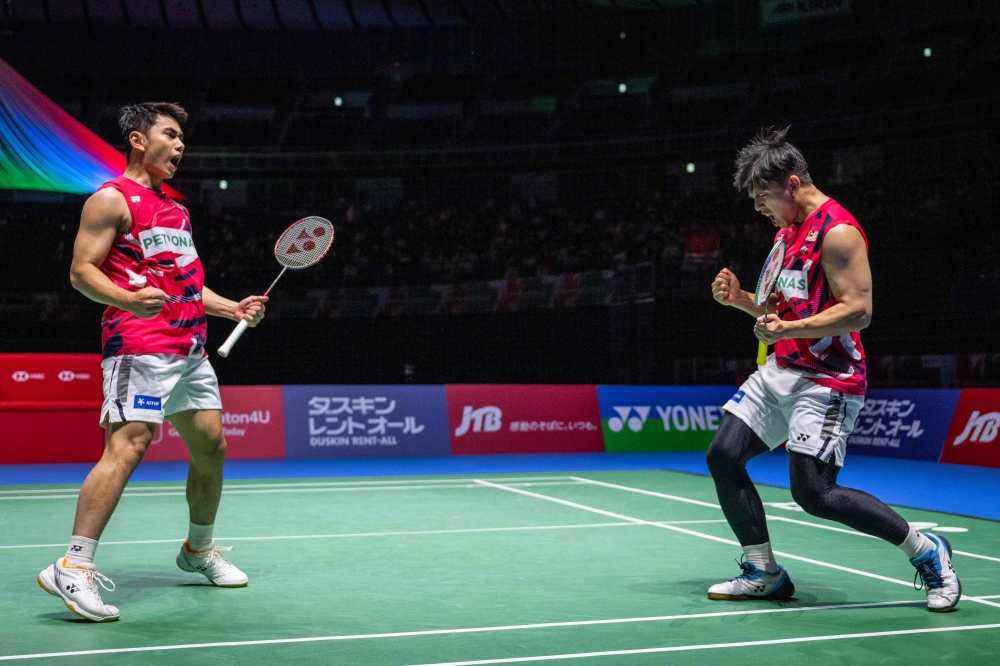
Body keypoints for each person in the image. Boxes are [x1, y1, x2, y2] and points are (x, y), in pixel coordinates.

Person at [707, 127, 960, 612]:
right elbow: (780, 310)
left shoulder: (838, 232)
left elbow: (859, 311)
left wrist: (786, 328)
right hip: (782, 368)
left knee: (815, 493)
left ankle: (927, 550)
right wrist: (741, 300)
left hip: (828, 379)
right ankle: (763, 572)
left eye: (763, 197)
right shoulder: (786, 234)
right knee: (723, 455)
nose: (758, 208)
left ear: (792, 183)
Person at [37, 103, 268, 622]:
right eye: (170, 133)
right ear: (138, 140)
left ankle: (197, 550)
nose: (180, 144)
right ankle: (73, 565)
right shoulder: (111, 199)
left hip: (189, 348)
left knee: (212, 447)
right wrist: (126, 299)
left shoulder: (176, 210)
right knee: (129, 445)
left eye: (183, 137)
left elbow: (186, 283)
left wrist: (232, 308)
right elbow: (81, 272)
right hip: (139, 344)